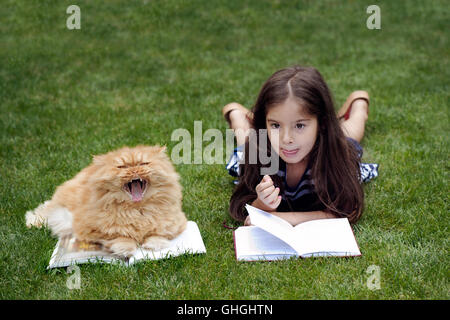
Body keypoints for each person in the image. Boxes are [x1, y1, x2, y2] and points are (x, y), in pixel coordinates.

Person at [222, 66, 378, 226]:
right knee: (246, 137)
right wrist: (261, 203)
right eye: (276, 125)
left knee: (349, 135)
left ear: (322, 123)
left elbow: (348, 211)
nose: (286, 139)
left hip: (331, 141)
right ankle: (237, 114)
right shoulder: (258, 150)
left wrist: (283, 219)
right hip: (259, 144)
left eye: (300, 125)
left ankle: (359, 106)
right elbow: (243, 206)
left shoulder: (337, 154)